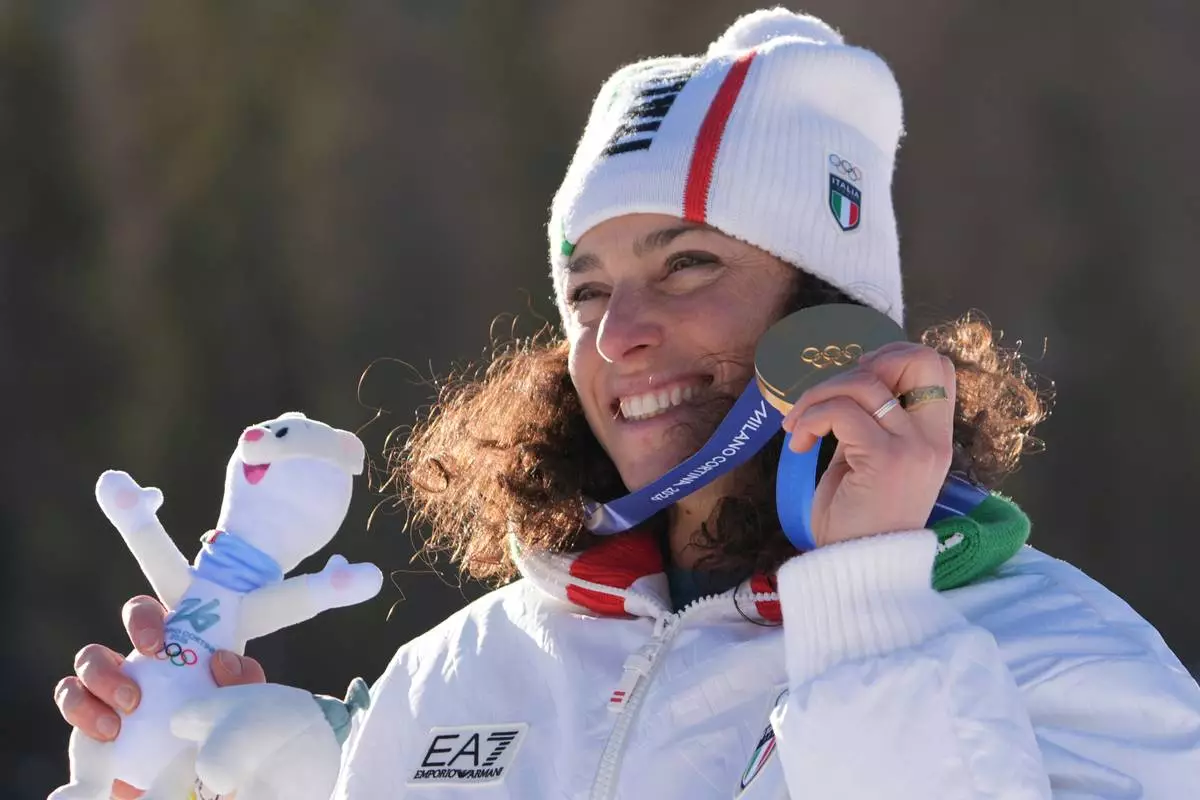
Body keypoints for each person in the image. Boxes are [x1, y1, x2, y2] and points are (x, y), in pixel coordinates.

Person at [53, 8, 1200, 799]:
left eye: (689, 264)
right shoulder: (463, 670)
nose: (619, 335)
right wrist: (199, 760)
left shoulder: (1069, 661)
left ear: (834, 324)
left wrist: (866, 611)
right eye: (586, 290)